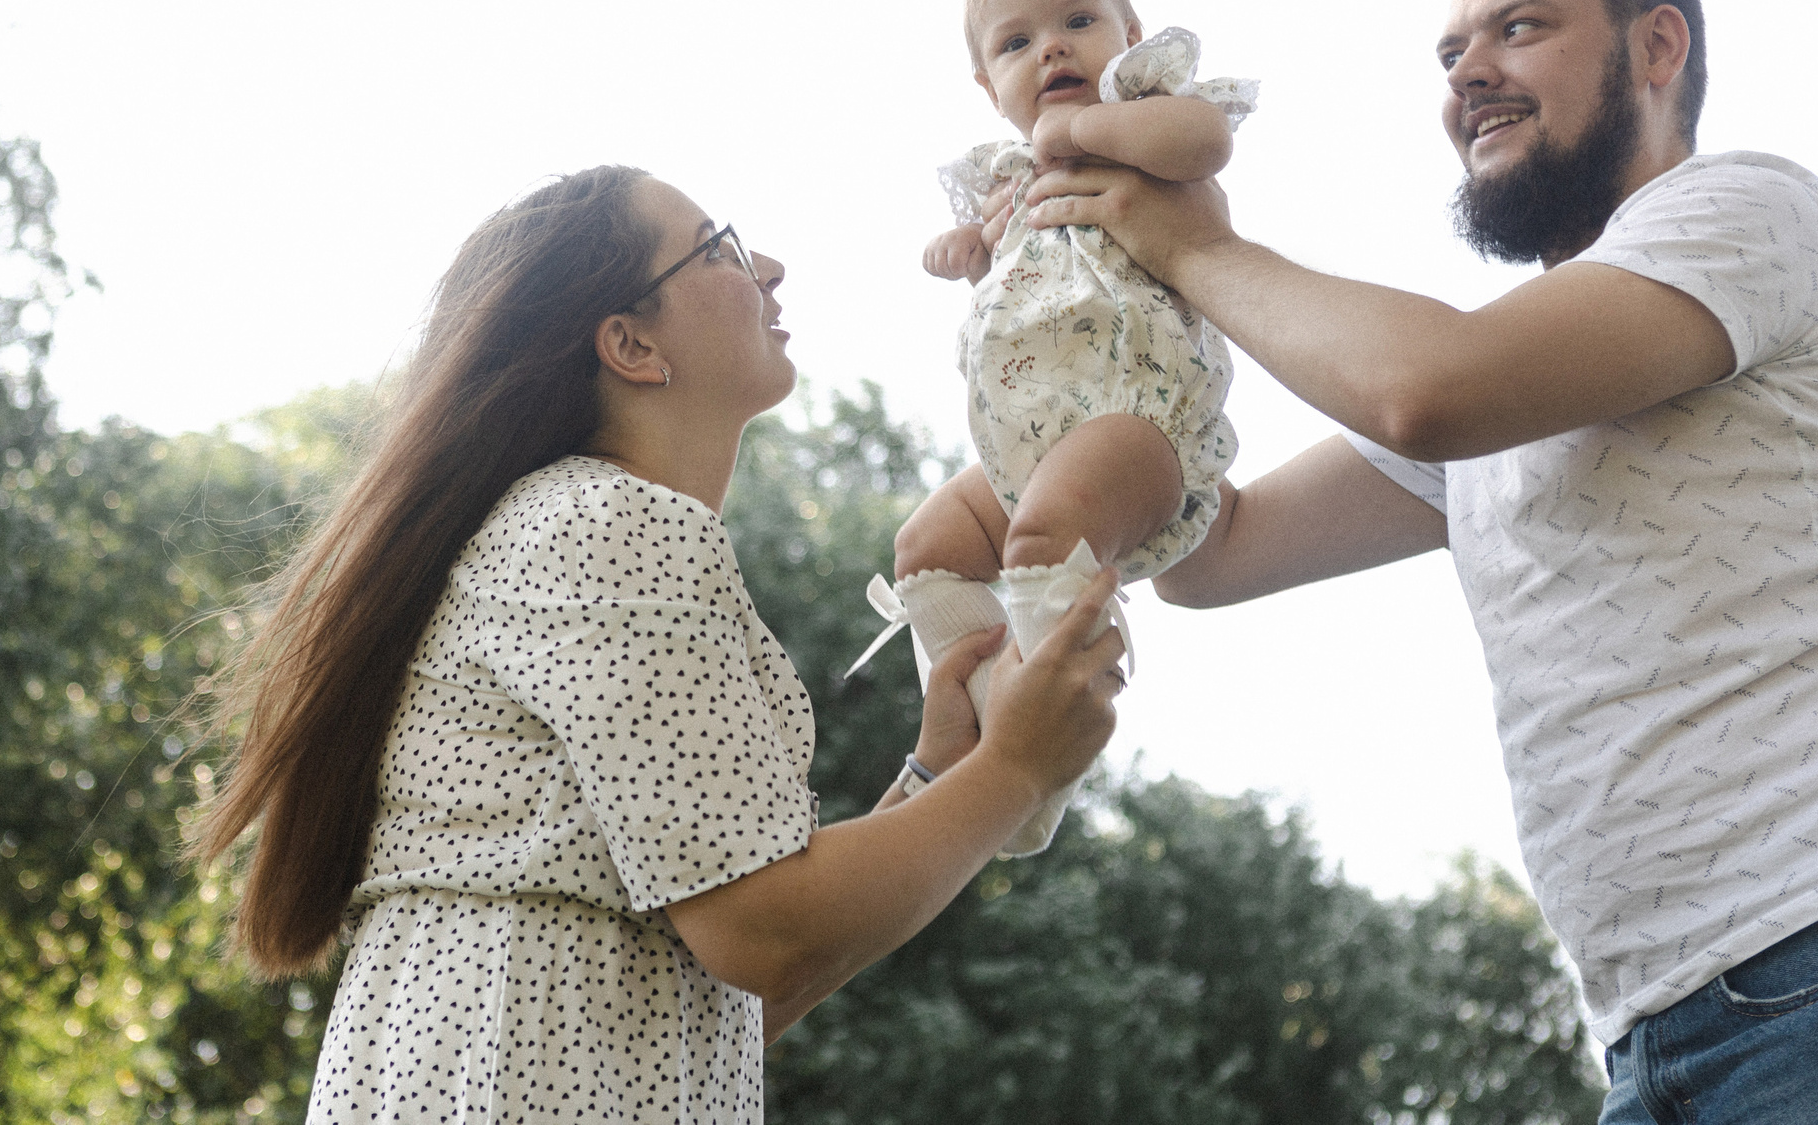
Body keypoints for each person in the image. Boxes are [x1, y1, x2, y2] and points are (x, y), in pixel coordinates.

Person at [1022, 0, 1818, 1123]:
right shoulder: (1505, 387)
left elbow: (1426, 387)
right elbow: (1208, 551)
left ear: (1656, 48)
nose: (1470, 72)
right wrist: (1088, 339)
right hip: (1654, 1039)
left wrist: (1181, 237)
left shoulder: (1749, 211)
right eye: (1450, 51)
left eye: (1519, 28)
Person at [188, 164, 1128, 1123]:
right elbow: (765, 934)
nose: (768, 266)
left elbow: (724, 994)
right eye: (718, 247)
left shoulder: (583, 532)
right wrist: (1015, 765)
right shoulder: (609, 525)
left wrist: (942, 772)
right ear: (631, 344)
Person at [854, 0, 1257, 856]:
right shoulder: (1003, 180)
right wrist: (962, 252)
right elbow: (967, 257)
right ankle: (985, 714)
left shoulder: (1147, 122)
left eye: (1079, 22)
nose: (1053, 50)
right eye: (1016, 43)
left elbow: (1207, 140)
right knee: (929, 546)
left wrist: (1076, 130)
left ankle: (1040, 764)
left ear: (1132, 35)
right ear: (987, 88)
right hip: (1022, 449)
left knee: (1042, 535)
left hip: (1139, 429)